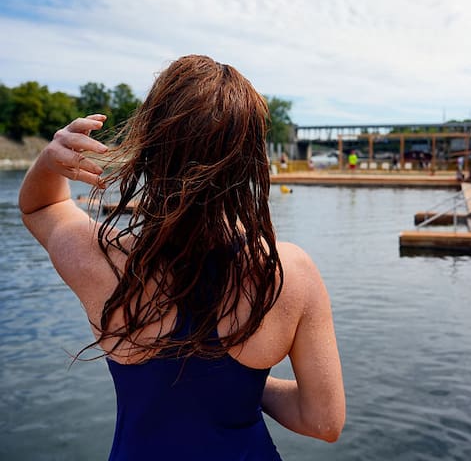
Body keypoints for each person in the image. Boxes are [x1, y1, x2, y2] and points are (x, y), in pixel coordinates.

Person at [18, 55, 345, 460]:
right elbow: (323, 422)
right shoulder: (288, 274)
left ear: (150, 148)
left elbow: (39, 208)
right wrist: (248, 385)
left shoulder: (99, 259)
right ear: (250, 162)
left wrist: (51, 159)